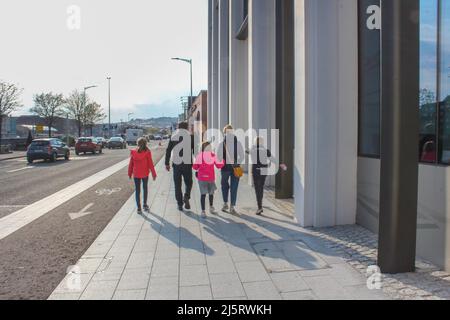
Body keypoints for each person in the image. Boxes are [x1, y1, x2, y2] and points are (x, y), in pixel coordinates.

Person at [248, 137, 286, 216]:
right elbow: (273, 159)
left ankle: (260, 207)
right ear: (262, 142)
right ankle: (260, 205)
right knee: (261, 187)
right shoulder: (266, 150)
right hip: (263, 171)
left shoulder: (252, 150)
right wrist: (280, 164)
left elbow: (246, 151)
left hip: (255, 171)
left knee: (257, 189)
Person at [165, 122, 195, 211]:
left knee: (177, 185)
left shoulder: (174, 136)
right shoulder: (191, 136)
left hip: (177, 165)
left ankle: (179, 204)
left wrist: (167, 163)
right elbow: (195, 151)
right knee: (189, 182)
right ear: (186, 128)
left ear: (178, 127)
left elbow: (168, 150)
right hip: (187, 164)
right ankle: (186, 196)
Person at [217, 125, 245, 215]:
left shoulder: (222, 144)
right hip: (235, 167)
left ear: (225, 133)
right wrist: (237, 163)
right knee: (234, 187)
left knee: (224, 186)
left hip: (225, 168)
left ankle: (225, 203)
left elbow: (219, 157)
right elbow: (242, 156)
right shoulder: (238, 143)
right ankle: (232, 206)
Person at [193, 142, 224, 218]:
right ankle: (211, 207)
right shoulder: (213, 155)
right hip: (210, 178)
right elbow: (219, 166)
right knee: (211, 193)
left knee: (203, 195)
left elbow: (195, 167)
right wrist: (223, 160)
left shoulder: (199, 156)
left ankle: (203, 211)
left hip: (202, 178)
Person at [128, 137, 157, 215]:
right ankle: (145, 204)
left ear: (137, 144)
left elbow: (131, 164)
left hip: (136, 174)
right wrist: (154, 174)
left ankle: (139, 208)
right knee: (145, 188)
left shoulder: (134, 152)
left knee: (137, 190)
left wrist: (129, 173)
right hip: (144, 173)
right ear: (145, 144)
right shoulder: (147, 152)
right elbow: (150, 163)